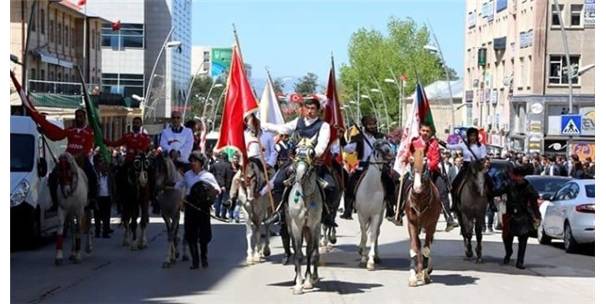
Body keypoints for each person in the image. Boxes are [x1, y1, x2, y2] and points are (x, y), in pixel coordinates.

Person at [261, 98, 332, 227]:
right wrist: (264, 124)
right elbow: (283, 128)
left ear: (318, 110)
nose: (310, 111)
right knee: (277, 182)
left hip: (314, 162)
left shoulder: (324, 126)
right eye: (307, 108)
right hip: (294, 161)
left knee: (331, 186)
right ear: (304, 109)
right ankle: (280, 212)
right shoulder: (297, 122)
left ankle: (327, 214)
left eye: (313, 109)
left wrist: (312, 154)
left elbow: (322, 144)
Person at [26, 107, 98, 209]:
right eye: (77, 117)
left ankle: (92, 200)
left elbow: (87, 149)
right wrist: (45, 132)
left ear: (85, 118)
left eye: (81, 117)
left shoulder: (89, 132)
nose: (78, 119)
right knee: (53, 177)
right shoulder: (70, 130)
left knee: (93, 176)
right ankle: (55, 202)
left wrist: (77, 156)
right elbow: (57, 135)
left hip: (81, 159)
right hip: (67, 158)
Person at [403, 122, 456, 231]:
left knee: (442, 190)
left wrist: (426, 165)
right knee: (404, 185)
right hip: (416, 171)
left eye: (427, 131)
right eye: (423, 131)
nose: (425, 133)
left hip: (432, 172)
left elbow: (435, 160)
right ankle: (398, 212)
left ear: (430, 132)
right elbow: (408, 155)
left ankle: (448, 218)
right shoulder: (414, 142)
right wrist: (411, 159)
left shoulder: (434, 143)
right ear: (419, 131)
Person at [342, 115, 395, 221]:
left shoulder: (381, 137)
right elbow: (348, 149)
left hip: (379, 166)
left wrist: (388, 155)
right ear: (365, 125)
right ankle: (348, 209)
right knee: (350, 184)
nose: (372, 126)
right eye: (369, 124)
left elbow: (389, 151)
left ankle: (390, 209)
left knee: (390, 183)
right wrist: (342, 140)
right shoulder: (358, 137)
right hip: (363, 166)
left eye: (374, 124)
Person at [176, 151, 221, 269]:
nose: (192, 163)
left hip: (203, 208)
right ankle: (195, 261)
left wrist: (214, 192)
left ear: (201, 163)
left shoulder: (208, 176)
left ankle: (204, 258)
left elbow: (217, 188)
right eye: (191, 161)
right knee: (191, 234)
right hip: (190, 207)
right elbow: (179, 185)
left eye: (195, 161)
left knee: (204, 234)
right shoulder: (187, 175)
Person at [494, 166, 541, 269]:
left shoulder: (528, 186)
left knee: (523, 239)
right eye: (517, 176)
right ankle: (508, 252)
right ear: (514, 176)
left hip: (523, 215)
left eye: (521, 176)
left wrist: (537, 216)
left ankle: (520, 261)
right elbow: (497, 192)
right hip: (510, 215)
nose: (519, 178)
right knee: (507, 237)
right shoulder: (508, 185)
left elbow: (534, 202)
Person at [440, 127, 487, 216]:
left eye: (474, 136)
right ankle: (454, 204)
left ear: (477, 136)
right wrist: (439, 141)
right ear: (468, 136)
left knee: (489, 181)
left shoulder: (481, 146)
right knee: (454, 184)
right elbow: (449, 146)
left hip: (477, 167)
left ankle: (491, 203)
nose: (472, 137)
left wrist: (482, 163)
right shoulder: (463, 145)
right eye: (470, 136)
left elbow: (484, 157)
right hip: (466, 167)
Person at [94, 154, 113, 238]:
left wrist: (112, 195)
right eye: (102, 165)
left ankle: (105, 232)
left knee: (106, 215)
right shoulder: (96, 176)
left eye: (105, 166)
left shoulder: (109, 176)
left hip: (107, 197)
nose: (104, 168)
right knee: (97, 215)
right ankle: (97, 232)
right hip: (99, 197)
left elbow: (112, 186)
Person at [210, 152, 232, 219]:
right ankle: (223, 215)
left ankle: (217, 213)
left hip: (216, 184)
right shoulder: (228, 165)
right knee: (224, 200)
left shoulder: (214, 165)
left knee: (218, 200)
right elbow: (229, 176)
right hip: (225, 185)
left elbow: (211, 174)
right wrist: (227, 186)